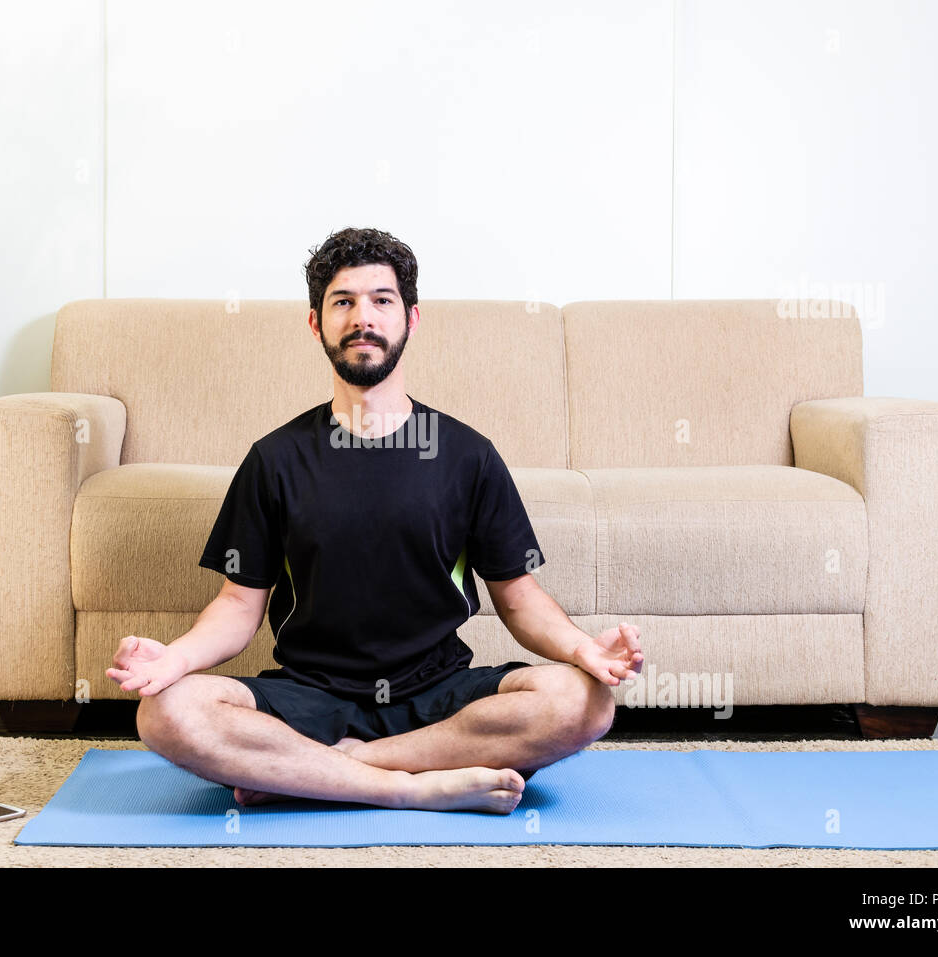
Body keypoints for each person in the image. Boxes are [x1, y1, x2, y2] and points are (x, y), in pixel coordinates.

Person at [107, 226, 643, 815]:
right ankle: (410, 786)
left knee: (584, 702)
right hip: (309, 696)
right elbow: (238, 607)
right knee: (165, 712)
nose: (364, 317)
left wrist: (579, 648)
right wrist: (174, 660)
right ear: (316, 322)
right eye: (343, 302)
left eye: (382, 301)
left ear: (411, 318)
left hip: (439, 695)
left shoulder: (468, 455)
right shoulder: (274, 459)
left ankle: (320, 773)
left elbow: (519, 598)